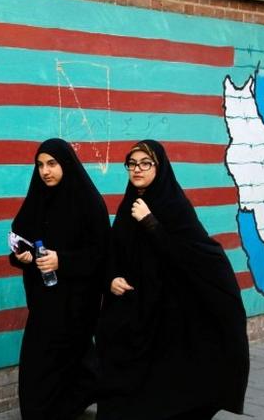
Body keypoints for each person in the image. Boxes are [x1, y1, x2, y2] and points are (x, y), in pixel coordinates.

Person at [96, 140, 249, 420]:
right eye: (132, 163)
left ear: (160, 166)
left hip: (167, 306)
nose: (137, 169)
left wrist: (151, 222)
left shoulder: (173, 204)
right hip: (132, 303)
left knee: (163, 379)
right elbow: (114, 251)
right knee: (118, 367)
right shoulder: (128, 203)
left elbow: (193, 253)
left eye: (145, 163)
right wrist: (111, 278)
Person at [10, 138, 110, 419]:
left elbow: (101, 253)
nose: (45, 171)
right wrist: (22, 256)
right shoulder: (37, 199)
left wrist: (62, 261)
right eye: (40, 165)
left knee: (66, 356)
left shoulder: (89, 202)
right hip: (44, 299)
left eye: (52, 164)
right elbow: (20, 238)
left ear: (66, 164)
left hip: (78, 302)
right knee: (39, 361)